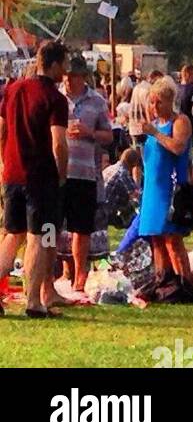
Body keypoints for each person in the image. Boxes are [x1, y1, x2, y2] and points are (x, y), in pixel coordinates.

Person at [0, 39, 70, 317]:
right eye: (63, 64)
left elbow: (2, 129)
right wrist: (61, 174)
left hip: (12, 174)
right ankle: (34, 301)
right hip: (40, 177)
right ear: (52, 64)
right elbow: (59, 143)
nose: (65, 70)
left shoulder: (13, 89)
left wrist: (5, 160)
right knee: (39, 238)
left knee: (11, 236)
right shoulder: (55, 98)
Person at [137, 75, 193, 302]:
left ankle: (185, 283)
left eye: (159, 102)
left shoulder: (179, 121)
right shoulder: (154, 126)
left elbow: (178, 147)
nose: (154, 107)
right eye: (152, 102)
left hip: (172, 188)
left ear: (169, 101)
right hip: (153, 188)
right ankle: (163, 281)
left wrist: (154, 134)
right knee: (156, 237)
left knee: (173, 237)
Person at [61, 53, 113, 297]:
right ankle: (59, 269)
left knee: (81, 227)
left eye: (74, 76)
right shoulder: (56, 98)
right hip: (59, 172)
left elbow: (109, 136)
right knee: (52, 225)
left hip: (85, 173)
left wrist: (89, 132)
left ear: (83, 77)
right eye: (67, 76)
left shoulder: (97, 101)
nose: (69, 80)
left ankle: (80, 273)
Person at [103, 146, 143, 228]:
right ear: (134, 163)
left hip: (100, 206)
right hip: (108, 211)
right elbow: (136, 195)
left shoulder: (110, 168)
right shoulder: (123, 173)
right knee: (138, 215)